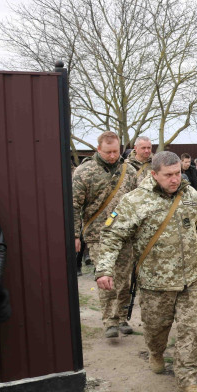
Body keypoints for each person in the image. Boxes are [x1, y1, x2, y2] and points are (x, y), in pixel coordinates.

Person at [96, 151, 197, 392]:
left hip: (190, 279)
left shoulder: (190, 195)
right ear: (154, 174)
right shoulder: (134, 201)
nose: (175, 179)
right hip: (155, 283)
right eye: (168, 175)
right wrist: (104, 269)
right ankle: (156, 351)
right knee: (156, 329)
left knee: (189, 330)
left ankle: (187, 379)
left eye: (178, 173)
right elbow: (112, 235)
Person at [72, 131, 137, 338]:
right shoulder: (84, 172)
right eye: (108, 152)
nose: (112, 156)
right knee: (106, 278)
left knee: (124, 280)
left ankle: (122, 317)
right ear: (98, 149)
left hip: (125, 234)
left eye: (116, 151)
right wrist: (75, 235)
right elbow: (73, 205)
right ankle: (110, 321)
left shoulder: (129, 171)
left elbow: (138, 202)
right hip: (97, 235)